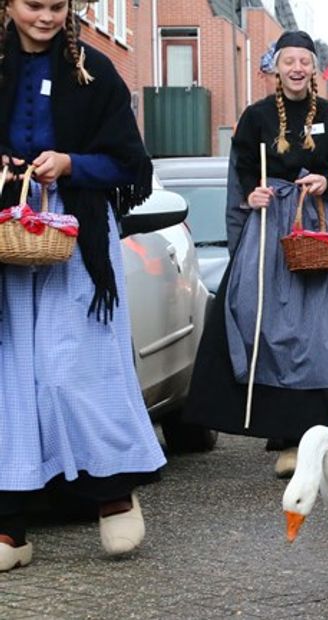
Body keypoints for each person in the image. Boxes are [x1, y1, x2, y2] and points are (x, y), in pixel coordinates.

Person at [0, 0, 164, 570]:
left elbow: (131, 163)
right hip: (7, 238)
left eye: (56, 6)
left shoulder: (94, 69)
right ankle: (10, 527)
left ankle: (114, 494)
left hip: (78, 239)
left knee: (78, 368)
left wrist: (71, 164)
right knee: (11, 376)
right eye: (32, 5)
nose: (45, 17)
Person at [182, 30, 328, 478]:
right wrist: (253, 196)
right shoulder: (256, 117)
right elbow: (242, 173)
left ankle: (320, 427)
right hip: (269, 231)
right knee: (264, 322)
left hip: (316, 225)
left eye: (305, 61)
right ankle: (282, 431)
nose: (297, 69)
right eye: (289, 61)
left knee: (321, 332)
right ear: (276, 66)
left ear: (314, 68)